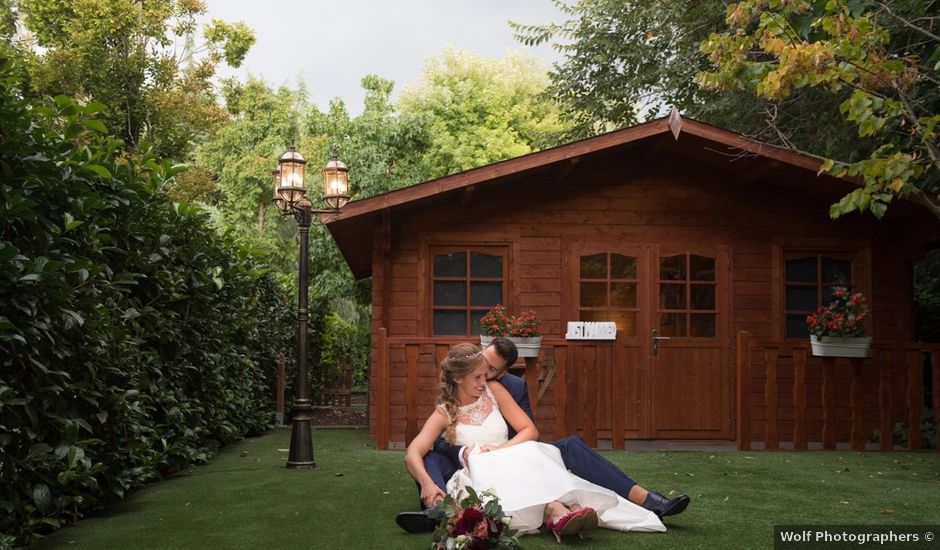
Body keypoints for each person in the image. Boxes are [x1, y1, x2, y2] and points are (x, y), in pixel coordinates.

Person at [395, 337, 690, 534]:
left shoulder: (499, 390)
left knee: (555, 450)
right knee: (437, 457)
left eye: (490, 373)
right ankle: (435, 507)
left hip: (514, 451)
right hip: (479, 465)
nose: (485, 379)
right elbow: (415, 450)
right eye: (479, 374)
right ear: (460, 376)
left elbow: (529, 430)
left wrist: (502, 449)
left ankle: (643, 499)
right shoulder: (445, 411)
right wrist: (428, 480)